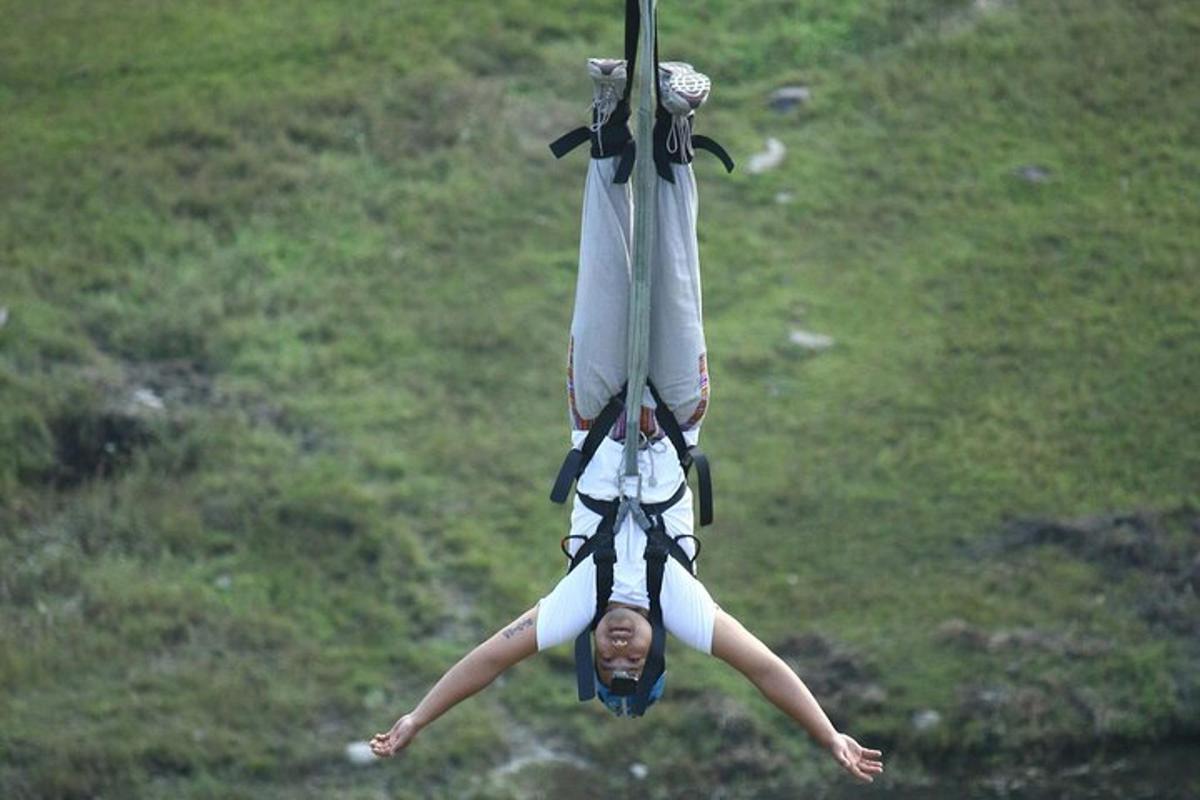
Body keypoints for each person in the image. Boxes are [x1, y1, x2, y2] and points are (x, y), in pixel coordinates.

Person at [370, 59, 883, 784]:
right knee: (674, 276)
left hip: (597, 409)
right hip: (675, 411)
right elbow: (764, 669)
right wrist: (828, 733)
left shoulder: (577, 601)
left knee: (604, 271)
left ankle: (611, 124)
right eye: (629, 660)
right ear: (654, 648)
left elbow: (488, 660)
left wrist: (418, 717)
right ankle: (675, 128)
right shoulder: (681, 605)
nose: (617, 648)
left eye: (607, 659)